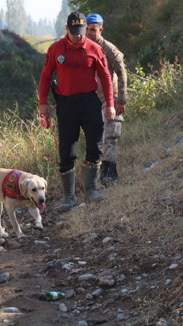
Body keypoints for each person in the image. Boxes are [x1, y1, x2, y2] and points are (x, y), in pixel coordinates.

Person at [38, 12, 116, 212]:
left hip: (89, 101)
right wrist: (43, 103)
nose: (79, 36)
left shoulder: (95, 49)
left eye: (81, 32)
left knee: (95, 143)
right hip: (66, 103)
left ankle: (91, 189)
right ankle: (69, 196)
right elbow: (46, 77)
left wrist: (110, 104)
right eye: (74, 33)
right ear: (67, 30)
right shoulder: (55, 49)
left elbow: (105, 77)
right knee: (67, 148)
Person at [85, 13, 128, 183]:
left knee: (110, 134)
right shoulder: (84, 47)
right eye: (87, 29)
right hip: (92, 99)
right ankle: (97, 174)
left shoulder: (109, 49)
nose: (89, 33)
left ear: (100, 30)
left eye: (93, 30)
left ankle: (109, 173)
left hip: (111, 98)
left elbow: (121, 73)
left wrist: (121, 100)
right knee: (96, 136)